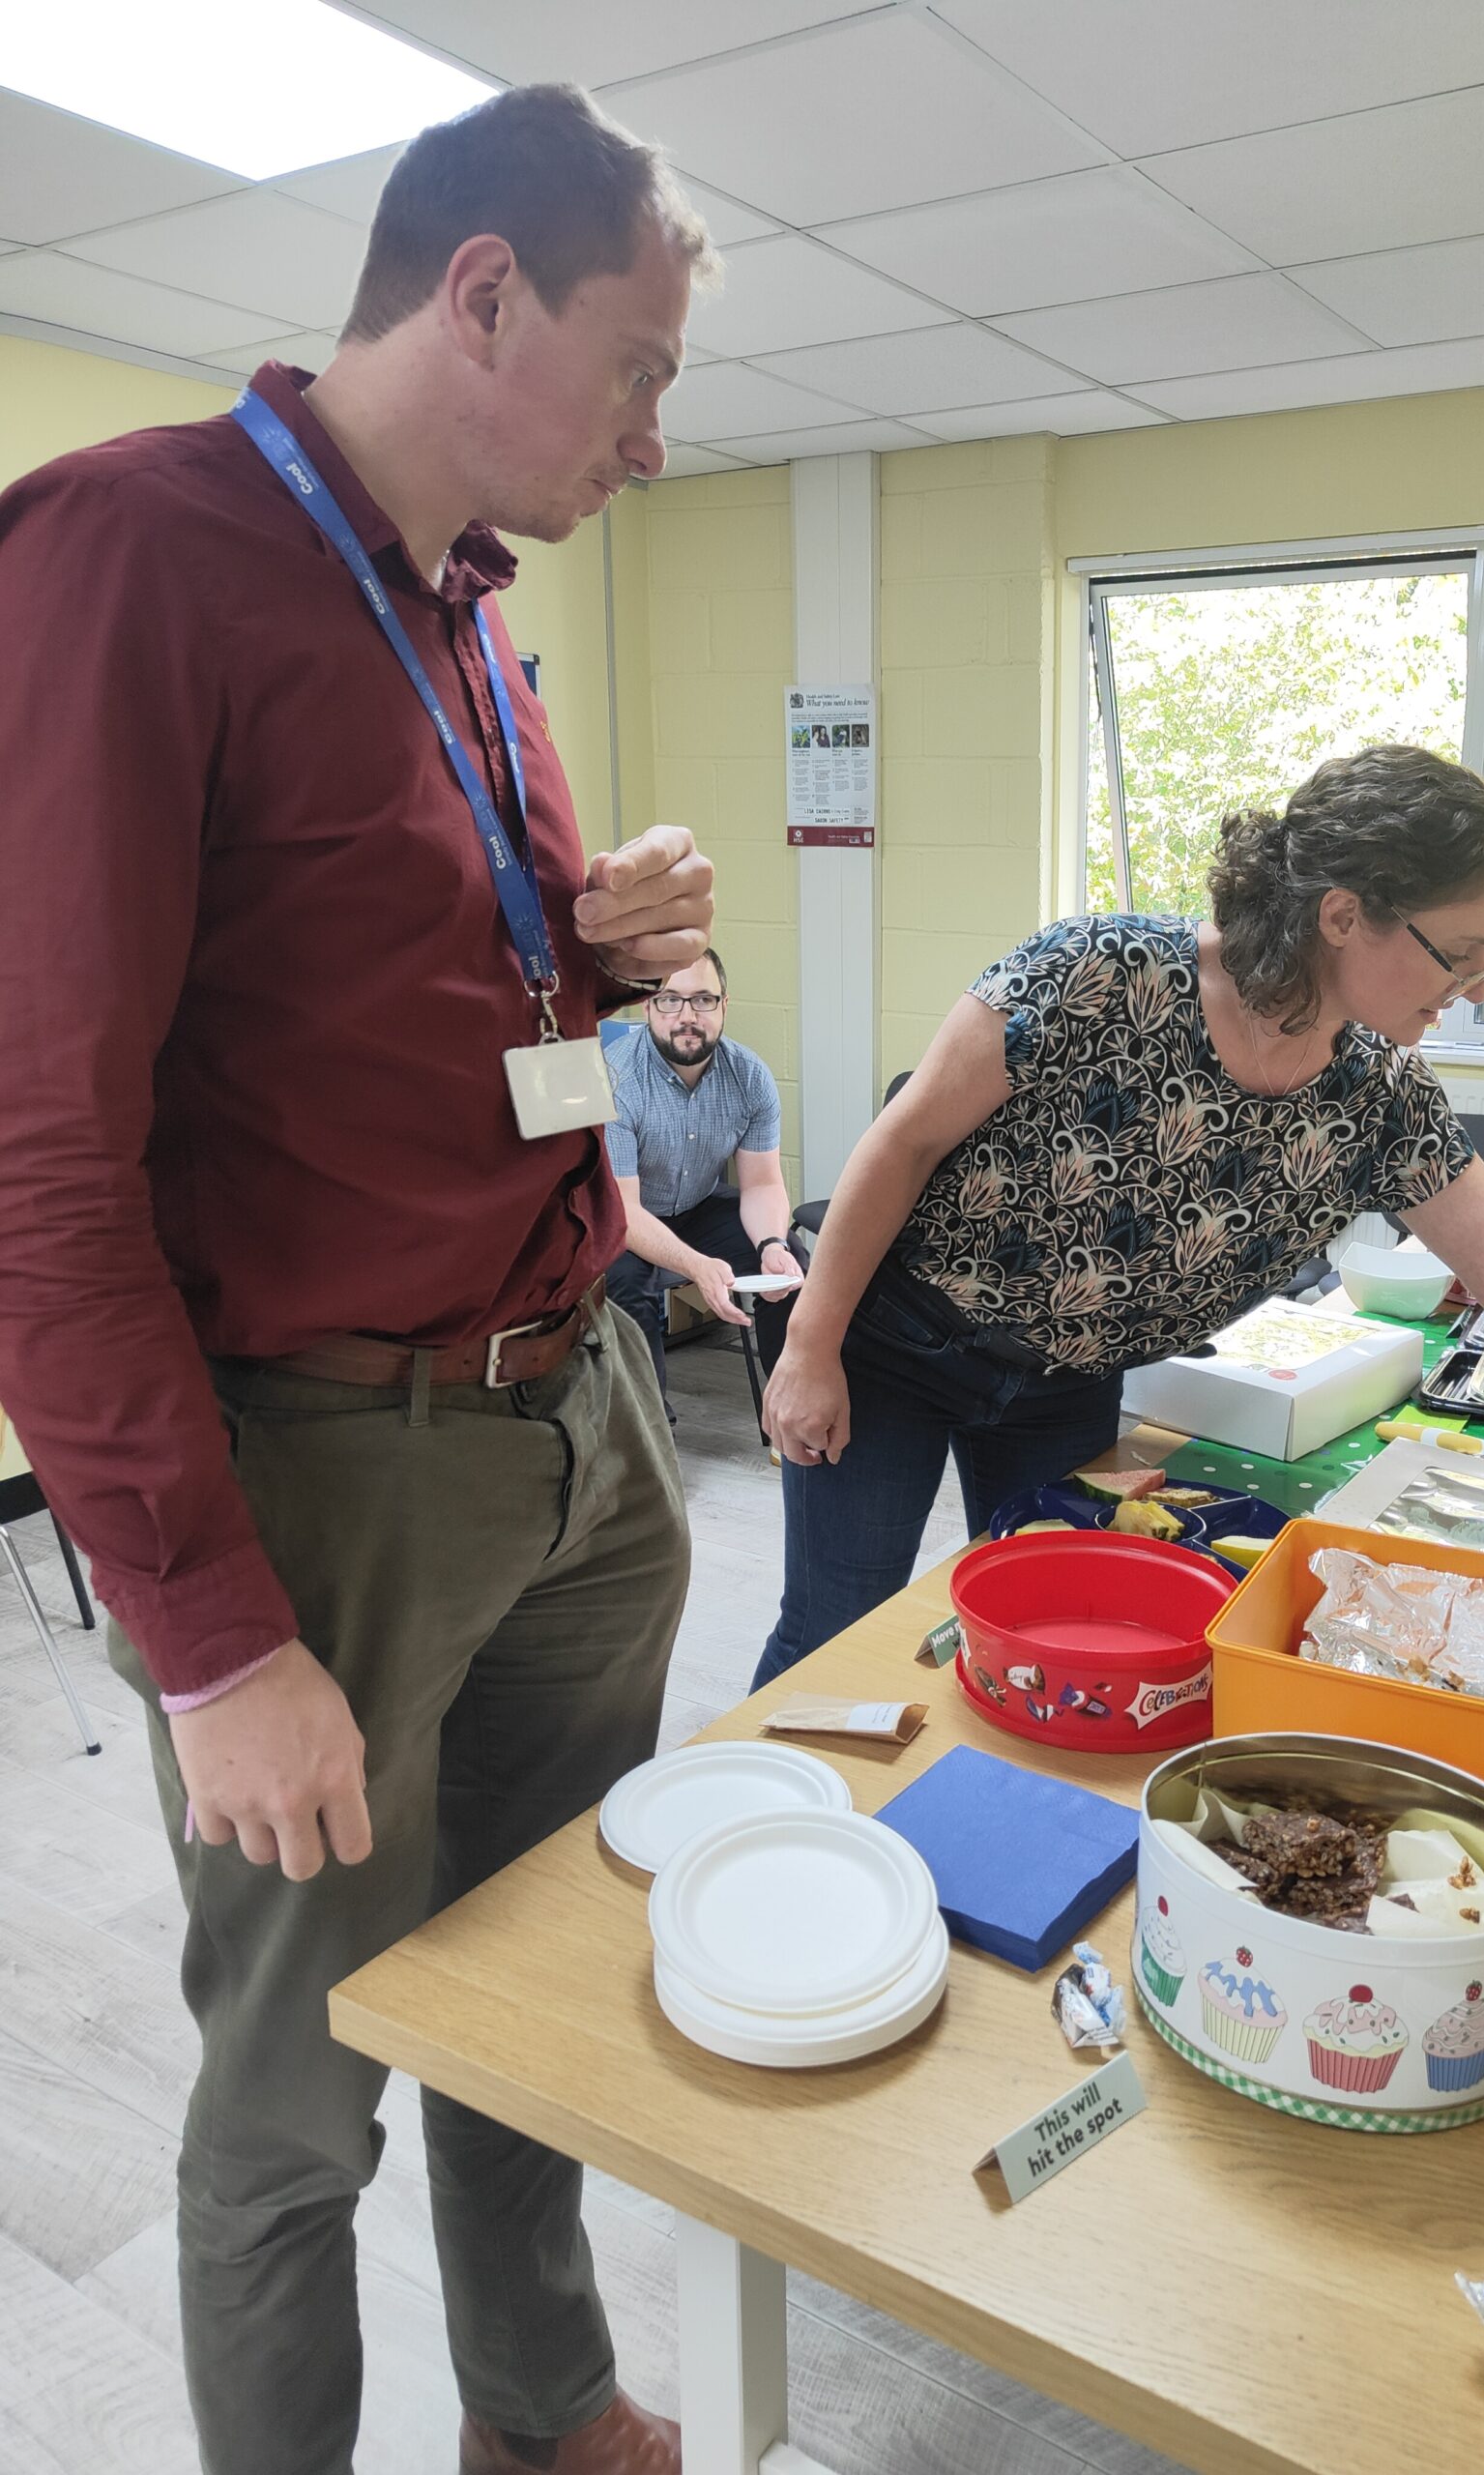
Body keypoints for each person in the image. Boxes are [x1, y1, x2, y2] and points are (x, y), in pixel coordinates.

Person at [0, 85, 720, 2475]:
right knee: (301, 2095)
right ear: (486, 292)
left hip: (576, 1409)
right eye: (638, 367)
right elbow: (42, 1163)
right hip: (333, 1465)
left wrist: (589, 955)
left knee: (531, 1989)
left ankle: (537, 2403)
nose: (654, 435)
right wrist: (215, 1640)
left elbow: (416, 1011)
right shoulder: (126, 550)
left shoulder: (472, 608)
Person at [756, 743, 1484, 1684]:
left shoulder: (1376, 1093)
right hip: (896, 1347)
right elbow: (901, 1141)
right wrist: (809, 1346)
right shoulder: (1097, 976)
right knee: (835, 1626)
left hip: (1066, 1385)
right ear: (1343, 914)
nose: (1473, 983)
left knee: (1058, 1626)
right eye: (1458, 950)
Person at [602, 947, 803, 1409]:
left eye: (703, 1000)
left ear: (724, 1006)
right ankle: (651, 1430)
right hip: (627, 1219)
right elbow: (624, 1211)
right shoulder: (616, 1078)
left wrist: (771, 1244)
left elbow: (762, 1185)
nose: (687, 1016)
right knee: (626, 1285)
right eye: (670, 1000)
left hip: (698, 1205)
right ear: (648, 1006)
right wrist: (697, 1266)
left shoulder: (749, 1076)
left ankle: (791, 1409)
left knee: (790, 1264)